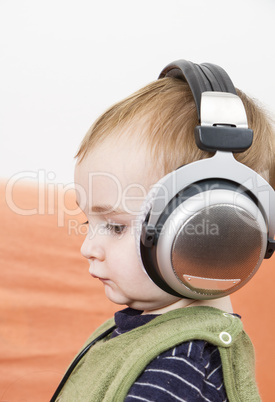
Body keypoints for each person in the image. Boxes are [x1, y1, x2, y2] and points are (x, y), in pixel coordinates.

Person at [53, 61, 275, 401]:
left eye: (114, 225)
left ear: (210, 235)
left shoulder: (178, 368)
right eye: (88, 223)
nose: (87, 248)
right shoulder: (145, 335)